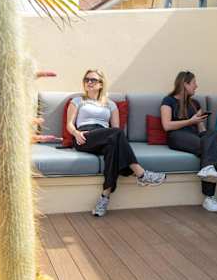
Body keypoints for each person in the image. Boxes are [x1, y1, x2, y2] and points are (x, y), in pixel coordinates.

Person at [67, 69, 166, 217]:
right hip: (85, 136)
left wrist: (109, 134)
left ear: (101, 84)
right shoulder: (77, 101)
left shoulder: (110, 104)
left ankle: (104, 197)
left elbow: (115, 127)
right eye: (86, 79)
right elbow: (69, 124)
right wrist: (76, 133)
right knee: (117, 134)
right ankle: (140, 173)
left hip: (105, 136)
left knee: (113, 147)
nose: (89, 82)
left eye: (93, 80)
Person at [161, 71, 217, 212]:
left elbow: (201, 130)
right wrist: (190, 121)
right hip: (177, 136)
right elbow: (167, 125)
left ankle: (208, 169)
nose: (196, 86)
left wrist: (206, 132)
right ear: (185, 84)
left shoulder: (195, 103)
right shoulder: (168, 101)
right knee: (209, 148)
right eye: (194, 83)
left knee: (213, 134)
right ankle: (209, 197)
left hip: (195, 137)